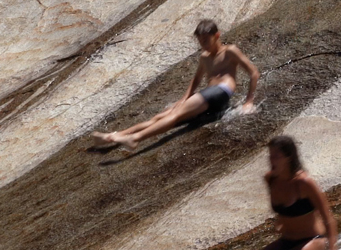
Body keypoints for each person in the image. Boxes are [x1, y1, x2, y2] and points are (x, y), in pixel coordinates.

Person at [178, 136, 340, 250]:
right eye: (270, 156)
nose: (271, 160)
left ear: (289, 157)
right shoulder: (270, 179)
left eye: (276, 156)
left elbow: (328, 217)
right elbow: (283, 209)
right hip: (286, 241)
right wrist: (280, 222)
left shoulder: (304, 182)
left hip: (311, 243)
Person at [92, 19, 259, 151]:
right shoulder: (204, 57)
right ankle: (114, 136)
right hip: (208, 95)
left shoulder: (230, 51)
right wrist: (184, 98)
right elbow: (196, 80)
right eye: (201, 42)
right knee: (160, 117)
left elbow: (253, 73)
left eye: (206, 41)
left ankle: (135, 139)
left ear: (217, 36)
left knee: (175, 114)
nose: (204, 45)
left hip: (221, 92)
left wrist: (249, 101)